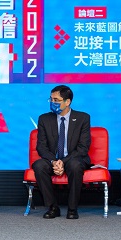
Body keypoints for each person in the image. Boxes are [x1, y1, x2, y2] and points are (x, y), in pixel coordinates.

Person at [32, 85, 91, 219]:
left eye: (56, 100)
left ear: (67, 102)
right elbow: (41, 147)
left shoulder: (83, 118)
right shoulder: (44, 119)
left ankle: (72, 209)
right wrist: (54, 162)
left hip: (74, 159)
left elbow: (83, 148)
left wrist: (62, 162)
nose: (53, 103)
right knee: (39, 166)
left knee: (75, 166)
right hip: (53, 159)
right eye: (51, 99)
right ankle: (53, 207)